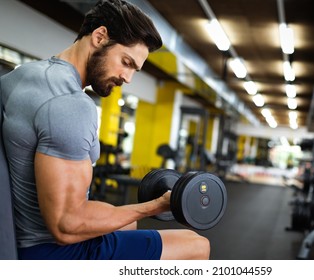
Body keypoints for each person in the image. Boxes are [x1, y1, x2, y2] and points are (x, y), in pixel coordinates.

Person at [0, 0, 209, 260]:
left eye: (135, 69)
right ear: (99, 37)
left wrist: (138, 210)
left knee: (129, 223)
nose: (128, 78)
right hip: (51, 252)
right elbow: (67, 225)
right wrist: (155, 205)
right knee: (196, 245)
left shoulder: (19, 76)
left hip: (19, 235)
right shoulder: (70, 105)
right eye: (126, 62)